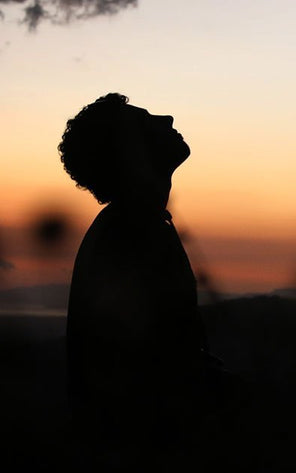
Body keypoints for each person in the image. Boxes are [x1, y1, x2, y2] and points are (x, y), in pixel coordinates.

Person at [59, 93, 207, 468]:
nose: (169, 116)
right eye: (147, 121)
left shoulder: (135, 225)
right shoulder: (132, 233)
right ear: (130, 154)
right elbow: (143, 378)